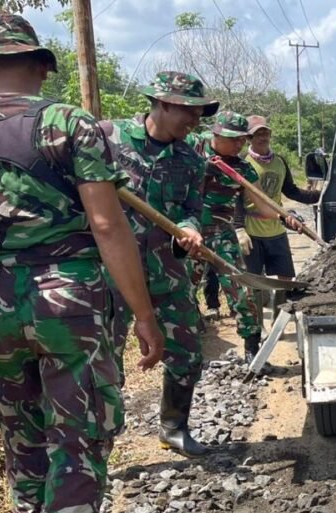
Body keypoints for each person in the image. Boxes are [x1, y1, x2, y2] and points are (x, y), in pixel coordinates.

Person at [0, 13, 164, 513]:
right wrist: (143, 314)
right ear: (42, 66)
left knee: (23, 434)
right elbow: (107, 224)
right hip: (65, 301)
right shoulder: (66, 122)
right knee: (80, 434)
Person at [104, 71, 215, 458]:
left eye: (199, 115)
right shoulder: (109, 139)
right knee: (103, 360)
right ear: (163, 104)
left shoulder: (190, 160)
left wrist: (190, 228)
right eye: (189, 112)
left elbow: (192, 209)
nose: (195, 122)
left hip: (167, 271)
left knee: (188, 353)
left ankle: (173, 427)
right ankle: (101, 441)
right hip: (111, 274)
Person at [188, 111, 283, 361]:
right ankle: (187, 350)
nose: (239, 144)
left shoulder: (243, 168)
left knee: (242, 289)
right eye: (233, 139)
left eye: (242, 139)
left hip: (221, 232)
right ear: (216, 134)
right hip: (187, 229)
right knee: (182, 288)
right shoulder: (193, 146)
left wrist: (285, 217)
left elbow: (262, 204)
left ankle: (252, 348)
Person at [242, 115, 319, 284]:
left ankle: (281, 302)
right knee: (254, 282)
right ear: (248, 138)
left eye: (266, 133)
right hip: (252, 231)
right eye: (258, 134)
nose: (263, 138)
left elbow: (291, 191)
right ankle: (258, 302)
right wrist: (239, 229)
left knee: (286, 279)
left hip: (276, 230)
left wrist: (319, 196)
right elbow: (236, 201)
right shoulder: (243, 163)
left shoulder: (279, 162)